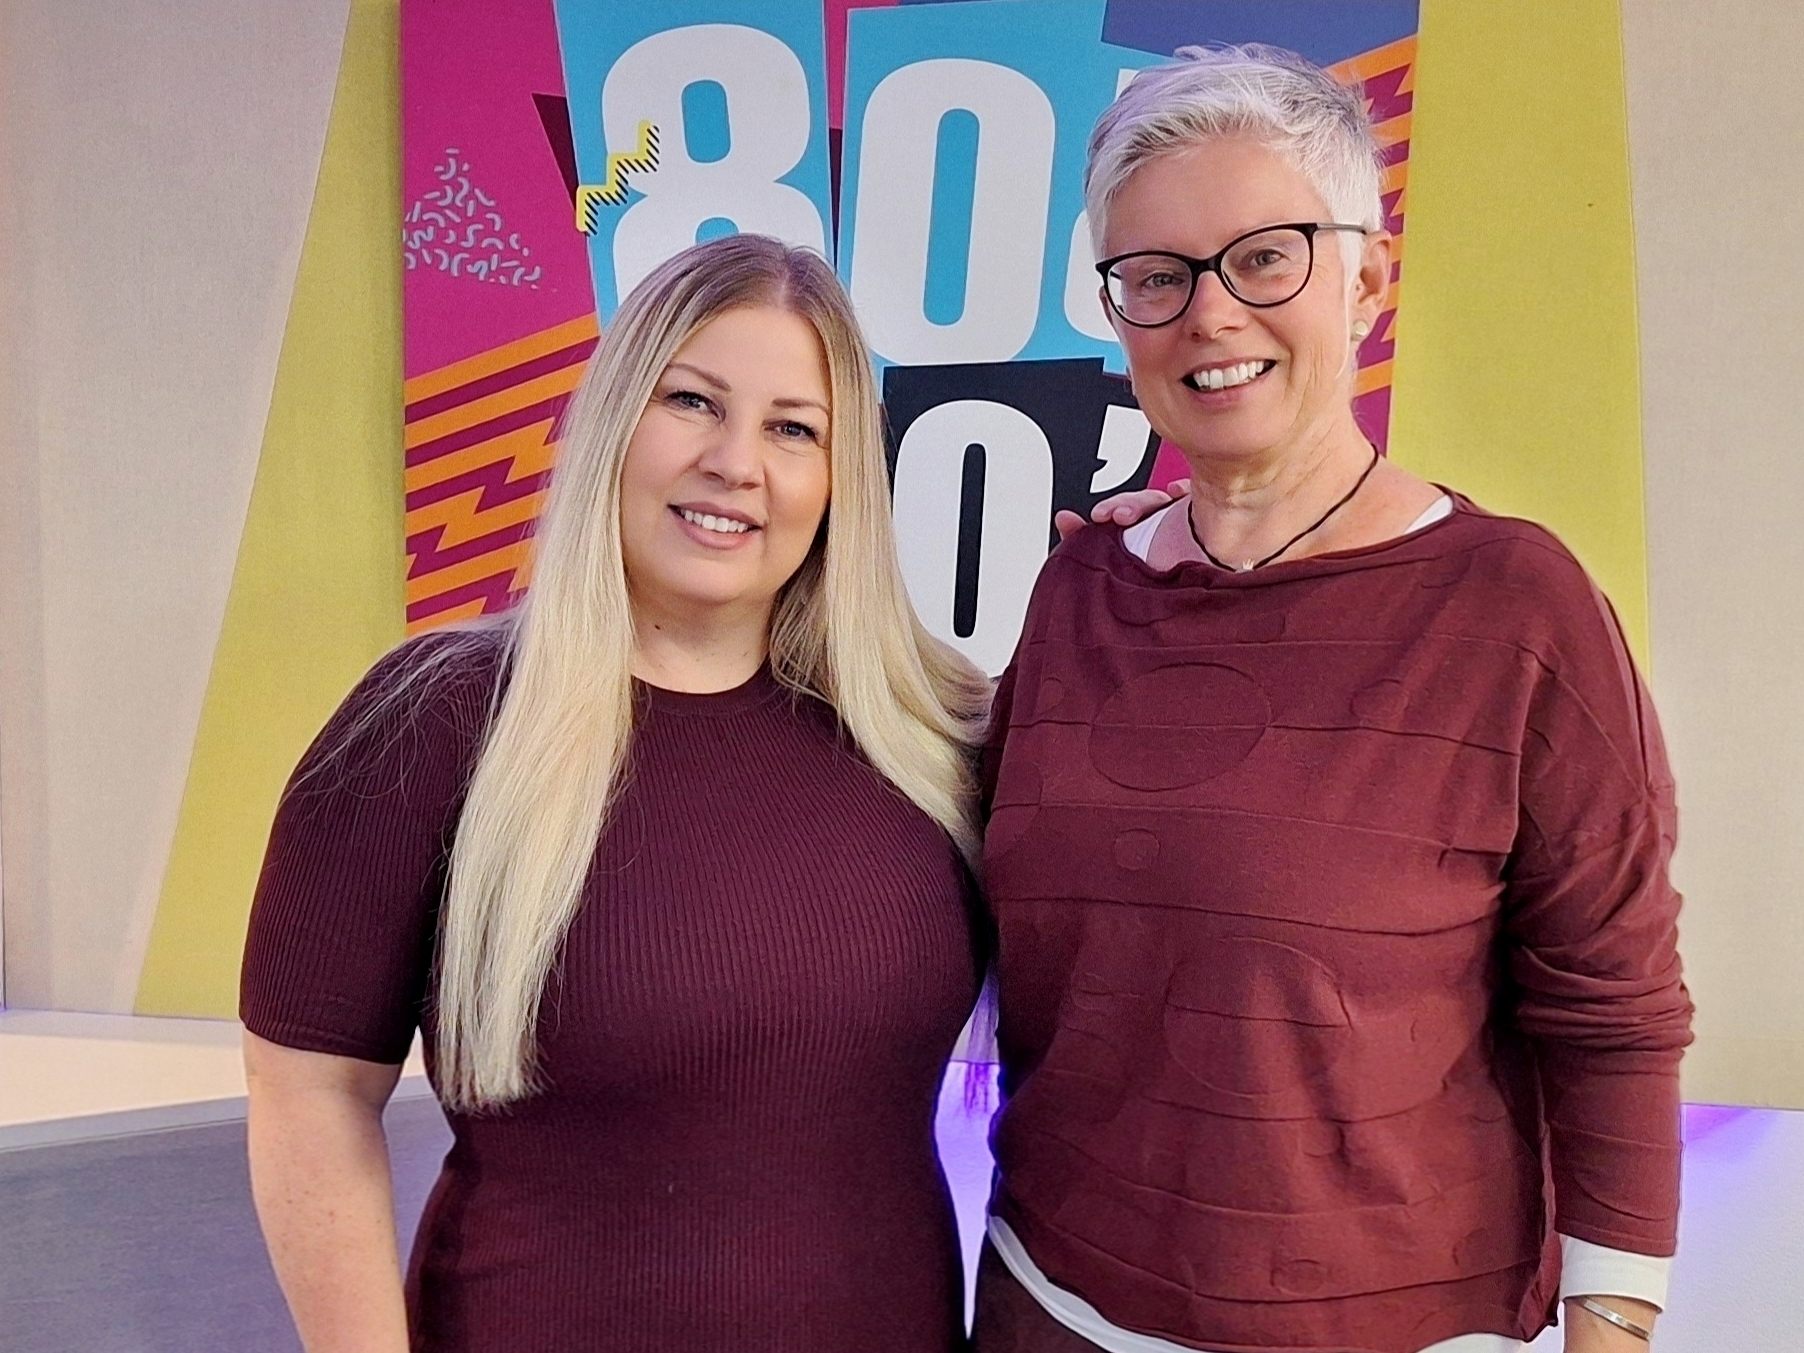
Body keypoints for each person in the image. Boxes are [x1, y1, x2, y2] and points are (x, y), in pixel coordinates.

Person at [973, 45, 1692, 1353]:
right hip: (1046, 1301)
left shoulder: (1515, 607)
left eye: (1265, 256)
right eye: (1156, 275)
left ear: (1365, 275)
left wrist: (1614, 1323)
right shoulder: (1077, 591)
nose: (1211, 315)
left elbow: (1617, 1006)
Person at [239, 234, 991, 1353]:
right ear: (613, 424)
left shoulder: (934, 734)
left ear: (841, 483)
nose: (737, 463)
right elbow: (309, 1100)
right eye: (692, 402)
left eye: (794, 428)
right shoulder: (433, 722)